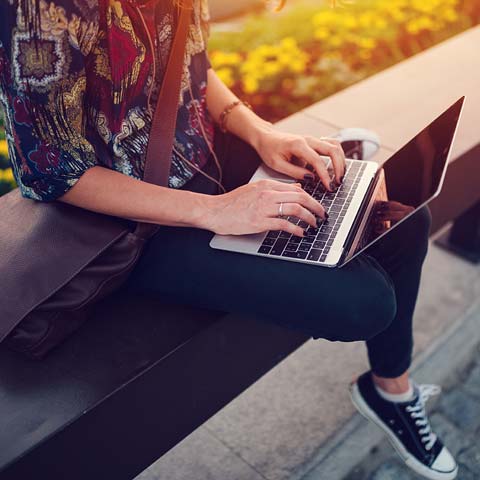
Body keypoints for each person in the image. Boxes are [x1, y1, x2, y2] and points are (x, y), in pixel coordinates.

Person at [0, 1, 458, 478]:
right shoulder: (41, 9)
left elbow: (193, 70)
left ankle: (391, 392)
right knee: (366, 303)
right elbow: (49, 171)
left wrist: (262, 135)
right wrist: (217, 211)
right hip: (129, 223)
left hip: (203, 155)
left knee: (402, 218)